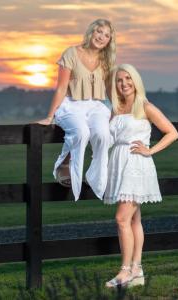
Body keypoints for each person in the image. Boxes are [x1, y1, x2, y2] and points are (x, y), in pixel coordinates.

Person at [104, 64, 178, 288]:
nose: (124, 83)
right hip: (119, 163)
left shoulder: (145, 106)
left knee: (121, 218)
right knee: (134, 219)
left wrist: (150, 150)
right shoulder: (115, 108)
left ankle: (125, 271)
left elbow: (172, 132)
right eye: (119, 80)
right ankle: (137, 270)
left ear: (135, 81)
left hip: (137, 165)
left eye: (128, 78)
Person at [37, 19, 116, 201]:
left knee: (103, 134)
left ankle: (95, 177)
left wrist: (117, 112)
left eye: (106, 35)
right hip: (72, 104)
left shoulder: (106, 60)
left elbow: (110, 90)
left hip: (96, 106)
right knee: (81, 132)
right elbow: (61, 88)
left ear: (109, 40)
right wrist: (50, 116)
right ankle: (63, 164)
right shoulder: (71, 53)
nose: (102, 37)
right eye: (99, 32)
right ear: (91, 32)